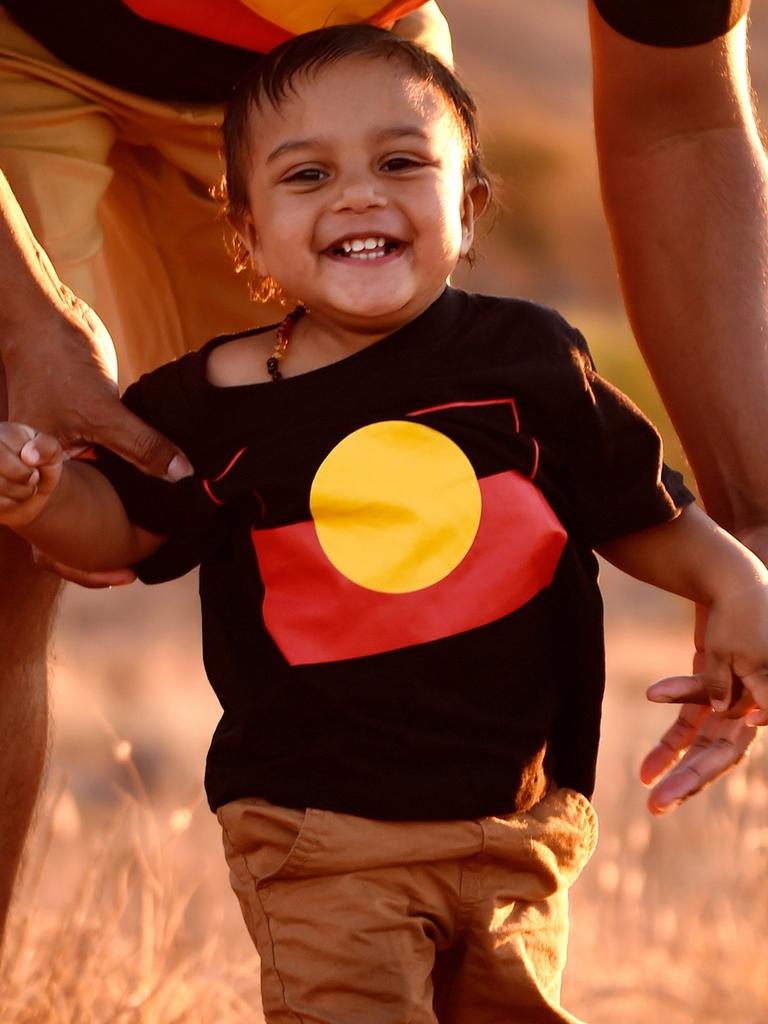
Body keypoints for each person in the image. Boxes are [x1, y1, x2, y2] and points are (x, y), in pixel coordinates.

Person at [2, 27, 768, 1021]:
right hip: (317, 834)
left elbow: (634, 503)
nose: (359, 194)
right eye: (309, 175)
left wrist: (738, 579)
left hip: (517, 824)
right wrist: (44, 500)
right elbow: (126, 530)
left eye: (401, 163)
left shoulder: (530, 362)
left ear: (470, 201)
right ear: (246, 237)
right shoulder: (220, 399)